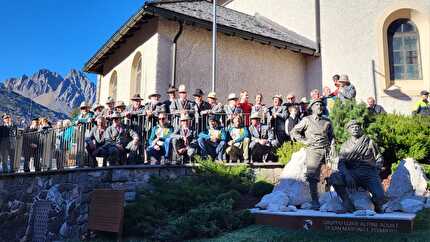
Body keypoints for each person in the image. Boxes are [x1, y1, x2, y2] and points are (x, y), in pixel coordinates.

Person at [329, 120, 385, 213]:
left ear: (360, 128)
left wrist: (376, 171)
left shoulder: (369, 142)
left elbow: (379, 157)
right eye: (352, 127)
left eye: (357, 126)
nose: (355, 128)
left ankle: (376, 205)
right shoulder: (345, 146)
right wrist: (347, 175)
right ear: (348, 130)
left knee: (380, 197)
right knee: (335, 177)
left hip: (368, 173)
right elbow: (341, 163)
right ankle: (347, 203)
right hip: (352, 172)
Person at [291, 98, 335, 210]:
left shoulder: (327, 121)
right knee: (312, 176)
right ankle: (315, 201)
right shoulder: (306, 120)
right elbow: (294, 131)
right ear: (312, 108)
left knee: (334, 174)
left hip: (326, 151)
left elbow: (331, 136)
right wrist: (305, 141)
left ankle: (336, 199)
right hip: (313, 150)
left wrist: (332, 146)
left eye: (321, 105)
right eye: (317, 105)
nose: (320, 107)